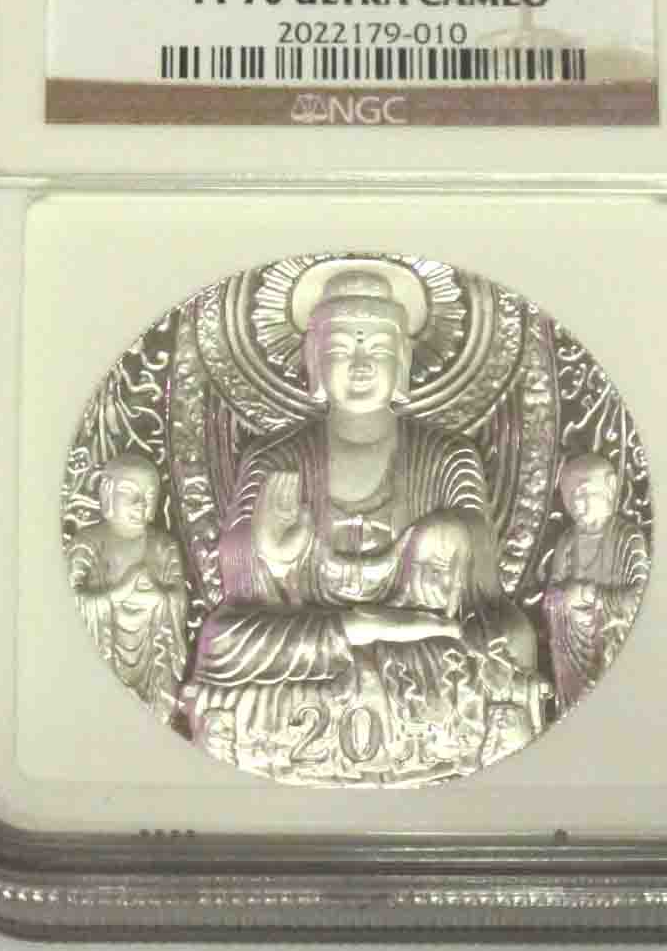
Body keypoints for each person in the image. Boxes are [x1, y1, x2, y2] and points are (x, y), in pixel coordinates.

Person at [185, 268, 539, 782]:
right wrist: (271, 553)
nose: (359, 365)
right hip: (313, 626)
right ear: (312, 361)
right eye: (339, 350)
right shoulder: (274, 456)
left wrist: (448, 540)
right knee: (222, 639)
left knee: (509, 638)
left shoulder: (449, 455)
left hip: (420, 622)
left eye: (376, 348)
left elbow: (482, 563)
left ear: (403, 361)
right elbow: (238, 577)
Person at [68, 453, 190, 720]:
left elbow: (179, 597)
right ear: (107, 493)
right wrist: (117, 594)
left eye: (149, 495)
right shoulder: (87, 543)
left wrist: (159, 598)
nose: (140, 503)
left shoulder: (164, 546)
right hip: (105, 648)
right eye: (128, 492)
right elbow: (70, 602)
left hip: (153, 658)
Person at [542, 452, 650, 713]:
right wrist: (564, 600)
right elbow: (550, 598)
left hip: (613, 642)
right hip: (574, 651)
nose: (578, 503)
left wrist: (591, 596)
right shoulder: (567, 542)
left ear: (610, 487)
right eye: (571, 497)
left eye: (584, 493)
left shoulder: (628, 538)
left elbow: (639, 599)